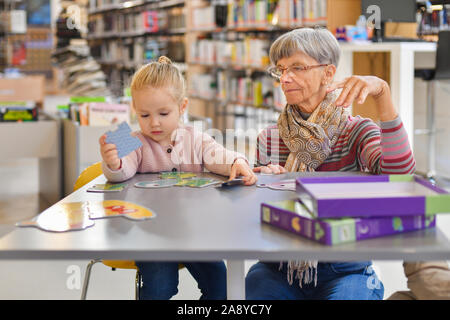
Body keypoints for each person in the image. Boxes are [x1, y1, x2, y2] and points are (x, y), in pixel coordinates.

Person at [246, 27, 416, 300]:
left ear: (328, 73)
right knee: (255, 287)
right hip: (280, 267)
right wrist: (262, 184)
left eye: (297, 68)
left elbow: (400, 177)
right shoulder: (270, 137)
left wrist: (382, 93)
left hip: (345, 266)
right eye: (281, 69)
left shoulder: (356, 131)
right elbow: (259, 218)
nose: (285, 78)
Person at [99, 56, 257, 300]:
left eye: (163, 113)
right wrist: (113, 163)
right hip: (149, 233)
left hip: (194, 230)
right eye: (144, 115)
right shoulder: (127, 137)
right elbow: (121, 172)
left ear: (182, 107)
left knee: (221, 286)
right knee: (160, 287)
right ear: (134, 110)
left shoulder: (195, 136)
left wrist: (237, 162)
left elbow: (218, 155)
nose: (154, 123)